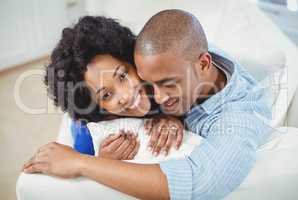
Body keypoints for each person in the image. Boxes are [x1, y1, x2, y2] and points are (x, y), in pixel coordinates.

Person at [23, 10, 272, 200]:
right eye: (107, 94)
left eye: (123, 75)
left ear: (204, 64)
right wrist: (99, 155)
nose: (159, 98)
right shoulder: (158, 67)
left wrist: (81, 163)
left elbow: (198, 181)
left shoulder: (238, 117)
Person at [44, 15, 184, 158]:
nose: (126, 95)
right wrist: (102, 159)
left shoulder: (158, 79)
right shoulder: (87, 131)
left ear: (131, 60)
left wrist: (173, 117)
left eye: (123, 76)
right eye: (106, 95)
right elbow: (84, 159)